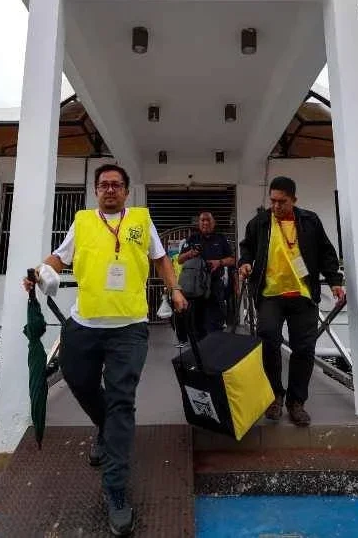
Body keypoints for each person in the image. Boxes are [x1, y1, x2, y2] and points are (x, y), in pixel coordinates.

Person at [23, 163, 187, 537]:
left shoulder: (142, 221)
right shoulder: (82, 222)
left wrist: (174, 288)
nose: (109, 190)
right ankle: (105, 428)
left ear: (127, 191)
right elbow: (58, 258)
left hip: (129, 328)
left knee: (120, 401)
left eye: (116, 185)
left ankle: (115, 489)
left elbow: (161, 258)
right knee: (79, 382)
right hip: (83, 325)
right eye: (103, 185)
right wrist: (37, 271)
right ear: (96, 191)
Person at [237, 176, 344, 427]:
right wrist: (244, 263)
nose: (275, 206)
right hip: (270, 294)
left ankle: (296, 402)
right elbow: (247, 248)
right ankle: (275, 395)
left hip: (303, 295)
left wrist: (335, 280)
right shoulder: (260, 222)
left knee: (304, 349)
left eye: (281, 202)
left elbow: (327, 252)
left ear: (294, 200)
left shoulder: (310, 221)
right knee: (267, 339)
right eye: (272, 201)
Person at [176, 211, 235, 340]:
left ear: (213, 223)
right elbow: (180, 260)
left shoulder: (221, 239)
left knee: (215, 324)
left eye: (208, 220)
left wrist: (219, 262)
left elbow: (232, 260)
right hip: (196, 288)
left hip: (215, 286)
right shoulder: (192, 239)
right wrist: (190, 253)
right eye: (202, 220)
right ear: (199, 223)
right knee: (197, 324)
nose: (205, 223)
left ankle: (215, 352)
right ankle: (200, 355)